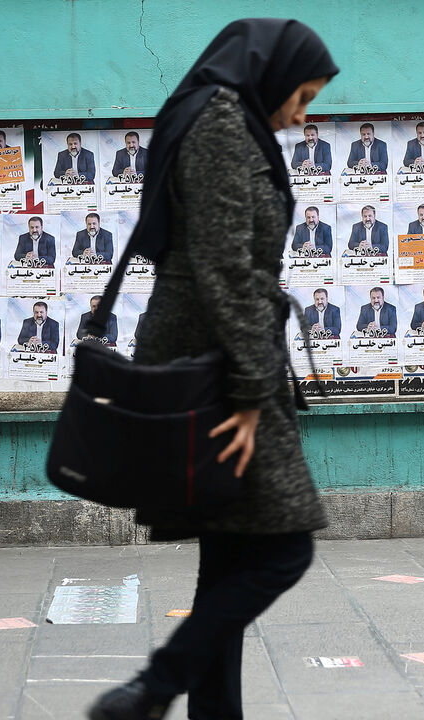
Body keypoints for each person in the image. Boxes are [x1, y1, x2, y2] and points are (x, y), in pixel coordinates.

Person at [88, 19, 338, 720]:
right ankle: (152, 690)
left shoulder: (219, 117)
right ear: (273, 74)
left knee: (232, 556)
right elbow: (226, 269)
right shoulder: (223, 126)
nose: (300, 114)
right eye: (303, 95)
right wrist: (256, 393)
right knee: (284, 550)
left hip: (213, 355)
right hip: (220, 370)